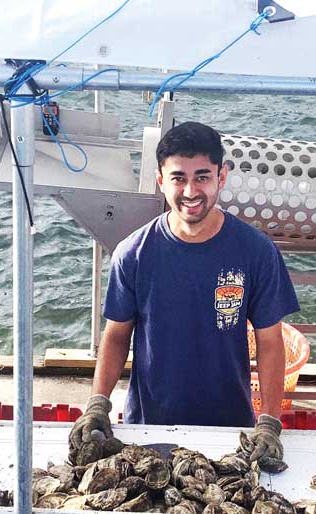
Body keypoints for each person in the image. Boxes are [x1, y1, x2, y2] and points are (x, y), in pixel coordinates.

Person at [69, 121, 300, 466]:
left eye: (202, 177)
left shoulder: (257, 252)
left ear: (222, 176)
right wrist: (98, 404)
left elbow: (270, 342)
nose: (190, 191)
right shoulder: (133, 254)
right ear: (161, 181)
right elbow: (116, 335)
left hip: (230, 429)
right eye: (178, 178)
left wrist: (268, 422)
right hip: (148, 427)